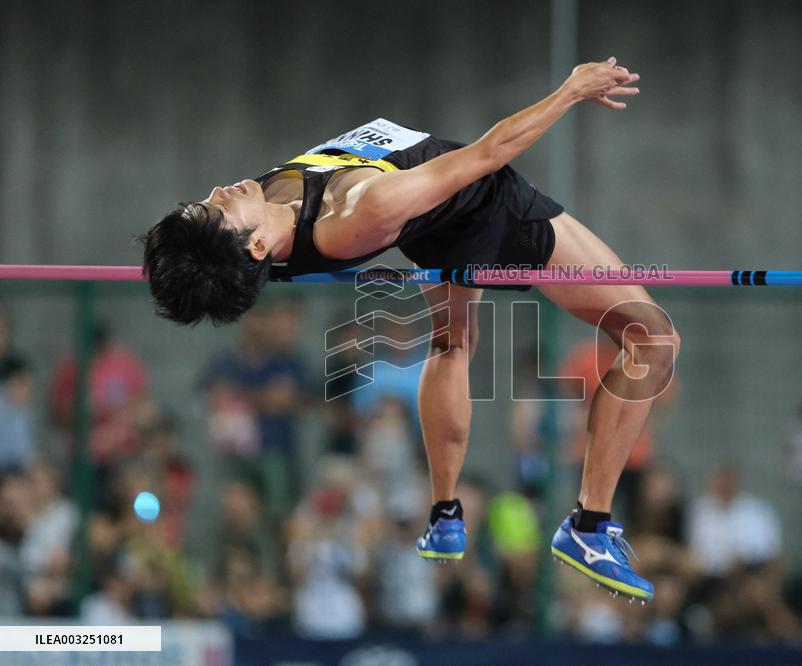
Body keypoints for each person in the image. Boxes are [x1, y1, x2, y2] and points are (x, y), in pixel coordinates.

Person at [140, 57, 679, 601]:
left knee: (452, 344)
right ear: (255, 246)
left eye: (202, 203)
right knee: (652, 339)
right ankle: (590, 524)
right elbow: (488, 154)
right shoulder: (360, 209)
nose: (217, 190)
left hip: (434, 223)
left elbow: (205, 276)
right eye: (215, 210)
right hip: (488, 208)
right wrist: (570, 91)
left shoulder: (257, 230)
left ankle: (445, 512)